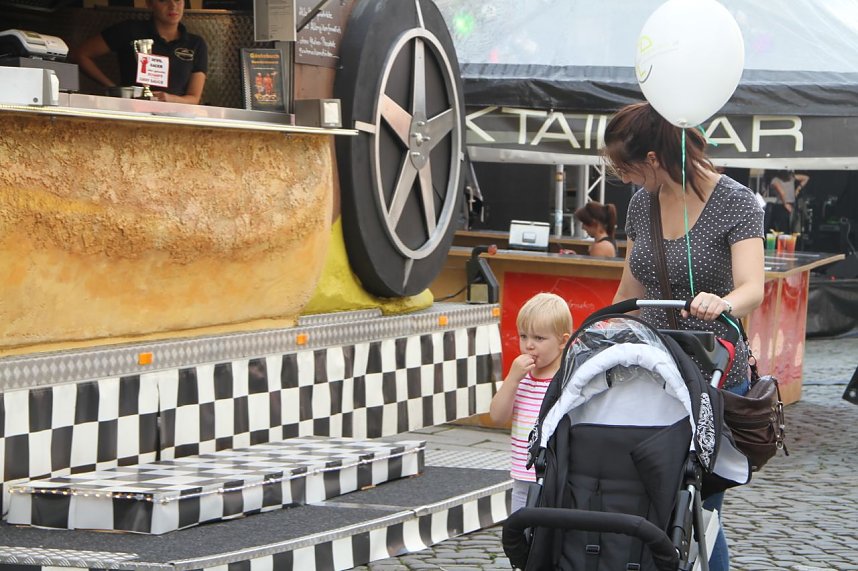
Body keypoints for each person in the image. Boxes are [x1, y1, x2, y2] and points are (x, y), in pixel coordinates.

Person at [604, 102, 765, 571]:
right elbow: (629, 291)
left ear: (653, 159)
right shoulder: (642, 204)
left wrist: (723, 302)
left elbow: (753, 287)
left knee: (698, 507)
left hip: (714, 375)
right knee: (649, 501)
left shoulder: (735, 201)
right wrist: (602, 330)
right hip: (655, 374)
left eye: (625, 167)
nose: (623, 178)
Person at [489, 292, 572, 513]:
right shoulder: (521, 377)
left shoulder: (566, 381)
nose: (529, 345)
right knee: (520, 526)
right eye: (523, 336)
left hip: (555, 477)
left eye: (539, 338)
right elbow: (497, 417)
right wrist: (512, 380)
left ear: (563, 341)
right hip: (522, 475)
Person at [70, 0, 208, 104]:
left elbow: (194, 97)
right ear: (149, 3)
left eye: (178, 0)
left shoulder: (196, 44)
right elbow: (80, 54)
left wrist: (169, 99)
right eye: (163, 0)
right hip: (132, 114)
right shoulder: (130, 30)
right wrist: (113, 88)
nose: (173, 5)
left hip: (175, 119)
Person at [766, 170, 810, 234]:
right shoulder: (775, 179)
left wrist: (798, 189)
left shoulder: (791, 177)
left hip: (791, 205)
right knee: (784, 228)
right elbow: (781, 192)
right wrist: (785, 204)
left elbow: (806, 178)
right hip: (781, 205)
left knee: (791, 227)